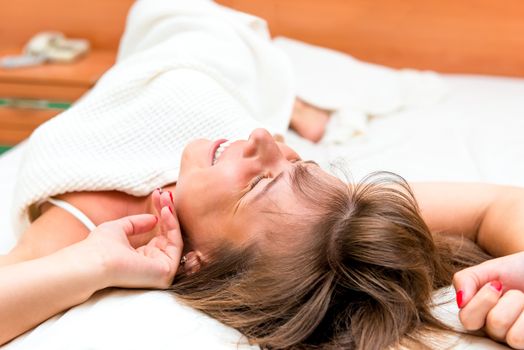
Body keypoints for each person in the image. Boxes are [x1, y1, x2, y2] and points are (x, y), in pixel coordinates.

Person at [2, 1, 524, 349]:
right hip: (229, 64)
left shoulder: (89, 217)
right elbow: (495, 207)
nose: (262, 142)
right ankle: (289, 98)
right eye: (298, 163)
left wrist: (89, 265)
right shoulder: (332, 218)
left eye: (258, 182)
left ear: (196, 259)